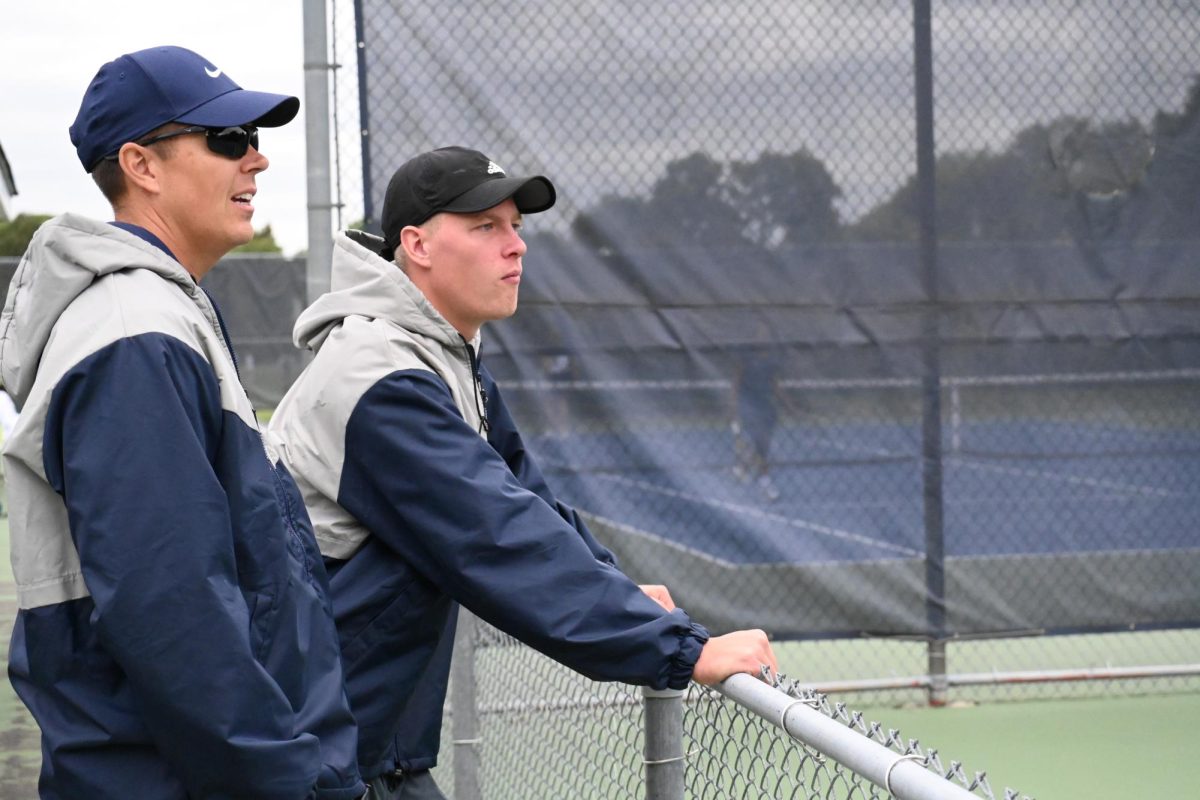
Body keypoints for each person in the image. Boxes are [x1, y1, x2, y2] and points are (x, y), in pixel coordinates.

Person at [268, 146, 778, 799]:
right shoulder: (380, 380)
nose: (516, 247)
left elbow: (525, 500)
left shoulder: (442, 358)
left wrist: (616, 589)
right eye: (486, 228)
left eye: (516, 227)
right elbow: (496, 538)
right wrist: (683, 649)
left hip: (366, 748)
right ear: (417, 245)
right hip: (308, 755)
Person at [0, 46, 364, 799]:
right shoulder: (132, 329)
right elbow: (176, 616)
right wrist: (295, 783)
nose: (256, 161)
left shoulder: (156, 312)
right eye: (228, 139)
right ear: (142, 165)